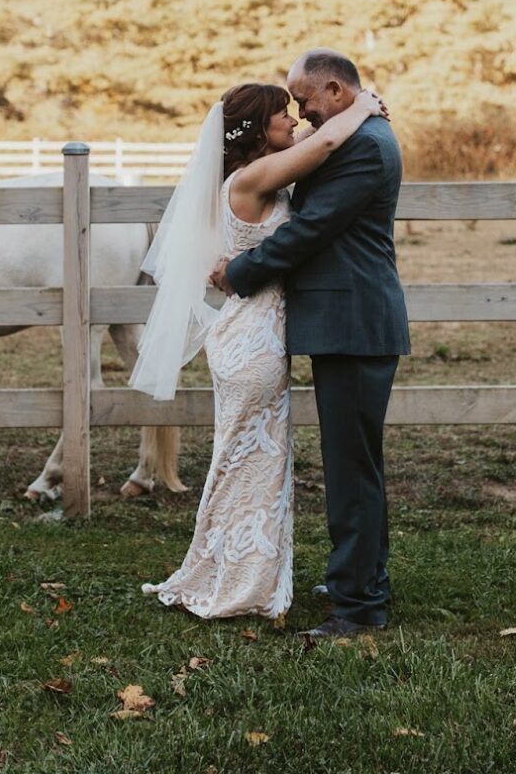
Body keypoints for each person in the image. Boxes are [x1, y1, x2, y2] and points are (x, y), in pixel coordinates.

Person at [131, 71, 388, 620]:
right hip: (253, 342)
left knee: (244, 462)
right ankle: (238, 583)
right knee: (248, 465)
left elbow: (309, 149)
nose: (294, 119)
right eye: (283, 113)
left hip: (252, 336)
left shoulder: (250, 174)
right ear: (256, 128)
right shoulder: (253, 179)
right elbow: (323, 143)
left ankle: (234, 571)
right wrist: (362, 106)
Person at [214, 48, 410, 639]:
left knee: (352, 470)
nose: (302, 111)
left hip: (354, 320)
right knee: (357, 465)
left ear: (335, 90)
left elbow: (312, 227)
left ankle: (356, 608)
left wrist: (241, 272)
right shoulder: (359, 135)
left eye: (305, 100)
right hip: (347, 319)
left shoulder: (366, 148)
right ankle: (361, 579)